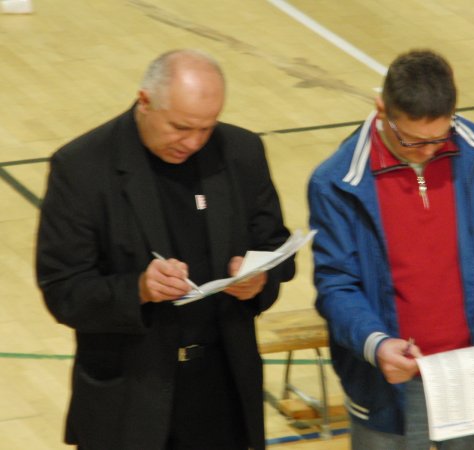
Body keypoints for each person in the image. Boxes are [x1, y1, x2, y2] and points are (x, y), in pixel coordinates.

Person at [36, 49, 295, 450]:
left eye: (206, 128)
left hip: (222, 393)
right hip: (130, 401)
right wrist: (139, 289)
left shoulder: (240, 151)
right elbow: (64, 292)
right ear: (145, 101)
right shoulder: (81, 168)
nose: (193, 142)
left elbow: (275, 245)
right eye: (180, 127)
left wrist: (259, 278)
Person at [308, 49, 474, 449]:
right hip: (390, 384)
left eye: (439, 137)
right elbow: (336, 285)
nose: (428, 151)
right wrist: (376, 343)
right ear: (381, 109)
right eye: (412, 140)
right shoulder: (335, 181)